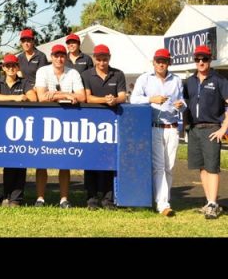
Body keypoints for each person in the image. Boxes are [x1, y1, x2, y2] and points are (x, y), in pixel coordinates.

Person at [131, 48, 186, 217]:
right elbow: (133, 99)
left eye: (164, 61)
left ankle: (163, 200)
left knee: (169, 167)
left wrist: (181, 105)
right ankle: (163, 204)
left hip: (172, 127)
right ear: (153, 62)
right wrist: (150, 99)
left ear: (169, 63)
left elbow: (183, 101)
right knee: (159, 167)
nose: (161, 64)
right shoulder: (144, 79)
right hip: (154, 126)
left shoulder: (176, 80)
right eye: (158, 61)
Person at [34, 44, 86, 208]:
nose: (59, 58)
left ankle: (64, 199)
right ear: (51, 56)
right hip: (44, 119)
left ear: (66, 57)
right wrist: (67, 94)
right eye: (56, 55)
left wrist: (56, 94)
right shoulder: (43, 71)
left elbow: (82, 97)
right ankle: (40, 198)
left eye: (62, 55)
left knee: (65, 160)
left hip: (67, 120)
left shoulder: (73, 72)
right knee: (42, 159)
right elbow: (42, 97)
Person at [183, 45, 228, 219]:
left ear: (210, 60)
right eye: (197, 59)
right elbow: (185, 104)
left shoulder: (219, 80)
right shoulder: (190, 81)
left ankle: (213, 204)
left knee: (212, 167)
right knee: (201, 166)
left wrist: (224, 128)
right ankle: (209, 201)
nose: (201, 62)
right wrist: (186, 126)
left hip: (211, 128)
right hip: (194, 129)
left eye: (204, 59)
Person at [81, 44, 127, 210]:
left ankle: (108, 199)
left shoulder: (118, 74)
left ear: (109, 58)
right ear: (94, 58)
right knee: (91, 160)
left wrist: (114, 100)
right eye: (99, 59)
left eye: (105, 59)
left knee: (109, 161)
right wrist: (104, 100)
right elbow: (86, 97)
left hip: (112, 123)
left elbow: (123, 95)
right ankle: (91, 199)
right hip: (91, 123)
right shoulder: (86, 74)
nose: (102, 62)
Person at [0, 54, 37, 207]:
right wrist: (15, 98)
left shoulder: (24, 82)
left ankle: (16, 198)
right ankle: (6, 195)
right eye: (7, 66)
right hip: (2, 126)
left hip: (22, 127)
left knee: (20, 162)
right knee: (7, 162)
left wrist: (24, 97)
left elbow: (33, 98)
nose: (10, 68)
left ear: (18, 67)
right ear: (3, 68)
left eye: (13, 66)